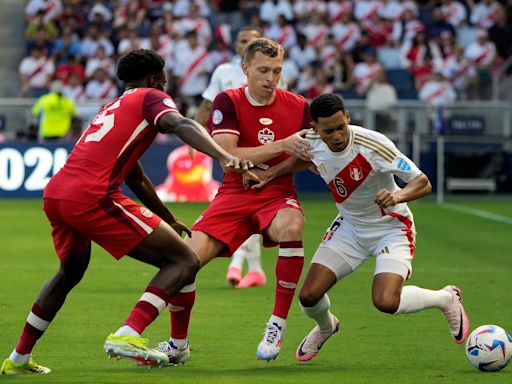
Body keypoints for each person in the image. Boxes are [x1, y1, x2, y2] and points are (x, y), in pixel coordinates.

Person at [0, 49, 253, 375]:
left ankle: (19, 357)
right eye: (164, 80)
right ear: (154, 79)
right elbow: (181, 123)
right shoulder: (151, 97)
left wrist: (167, 217)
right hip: (92, 196)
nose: (166, 86)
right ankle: (128, 333)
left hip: (58, 194)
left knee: (70, 272)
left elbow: (135, 175)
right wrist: (223, 156)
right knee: (185, 261)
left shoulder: (113, 106)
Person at [245, 93, 469, 363]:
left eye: (341, 127)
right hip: (350, 228)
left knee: (386, 301)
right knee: (308, 296)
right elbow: (304, 158)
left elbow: (422, 182)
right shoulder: (310, 141)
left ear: (348, 118)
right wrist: (269, 174)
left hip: (391, 227)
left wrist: (396, 196)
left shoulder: (373, 144)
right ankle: (327, 327)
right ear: (315, 128)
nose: (338, 136)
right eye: (329, 131)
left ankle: (445, 299)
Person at [157, 38, 313, 363]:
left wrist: (273, 172)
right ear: (245, 69)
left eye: (277, 71)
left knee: (293, 225)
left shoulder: (299, 105)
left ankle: (277, 324)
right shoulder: (226, 100)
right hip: (233, 194)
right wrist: (280, 145)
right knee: (183, 261)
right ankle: (177, 344)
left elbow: (307, 157)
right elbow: (229, 153)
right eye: (264, 71)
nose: (272, 78)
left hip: (277, 194)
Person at [196, 26, 266, 289]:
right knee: (247, 206)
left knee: (247, 206)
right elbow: (206, 106)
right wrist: (194, 131)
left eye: (252, 40)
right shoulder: (224, 72)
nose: (246, 43)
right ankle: (255, 269)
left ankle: (238, 266)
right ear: (236, 44)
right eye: (242, 40)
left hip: (259, 147)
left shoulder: (267, 71)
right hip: (228, 147)